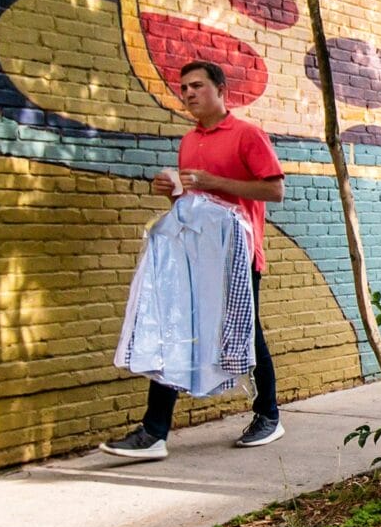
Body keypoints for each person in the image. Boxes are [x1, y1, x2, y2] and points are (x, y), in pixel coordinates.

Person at [101, 60, 286, 460]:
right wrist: (172, 190)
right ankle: (154, 432)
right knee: (176, 329)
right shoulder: (189, 141)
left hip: (238, 257)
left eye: (196, 86)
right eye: (183, 88)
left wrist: (212, 181)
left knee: (247, 335)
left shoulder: (247, 135)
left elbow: (274, 191)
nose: (187, 94)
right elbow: (193, 201)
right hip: (194, 257)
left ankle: (268, 415)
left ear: (220, 89)